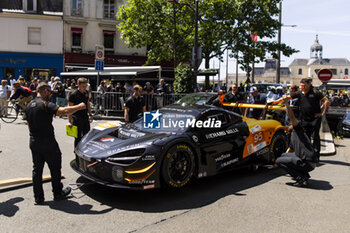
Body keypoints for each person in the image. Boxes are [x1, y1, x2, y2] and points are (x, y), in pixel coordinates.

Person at [25, 82, 87, 204]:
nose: (51, 94)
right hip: (47, 141)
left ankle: (38, 197)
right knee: (55, 168)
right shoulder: (45, 104)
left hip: (34, 141)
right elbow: (63, 111)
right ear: (45, 91)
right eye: (50, 92)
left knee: (37, 170)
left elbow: (28, 125)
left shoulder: (28, 105)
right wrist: (79, 106)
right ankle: (57, 193)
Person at [275, 95, 318, 187]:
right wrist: (276, 164)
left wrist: (286, 103)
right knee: (282, 156)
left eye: (289, 124)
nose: (288, 125)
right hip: (307, 162)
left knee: (279, 160)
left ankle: (301, 179)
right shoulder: (292, 136)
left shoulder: (298, 130)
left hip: (307, 162)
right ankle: (303, 175)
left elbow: (292, 117)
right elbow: (289, 150)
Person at [290, 78, 330, 158]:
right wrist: (274, 102)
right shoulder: (299, 93)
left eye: (304, 86)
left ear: (309, 84)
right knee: (306, 137)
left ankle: (316, 155)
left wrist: (322, 113)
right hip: (305, 119)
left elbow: (327, 101)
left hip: (315, 119)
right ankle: (307, 154)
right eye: (301, 86)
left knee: (315, 136)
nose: (302, 87)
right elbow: (287, 97)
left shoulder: (315, 92)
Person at [68, 77, 93, 148]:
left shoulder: (86, 93)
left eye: (86, 86)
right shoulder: (73, 94)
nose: (85, 88)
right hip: (76, 118)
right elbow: (69, 108)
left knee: (86, 136)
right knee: (78, 137)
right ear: (78, 85)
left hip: (85, 117)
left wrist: (90, 114)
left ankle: (84, 151)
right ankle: (77, 153)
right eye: (83, 86)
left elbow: (87, 103)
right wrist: (69, 121)